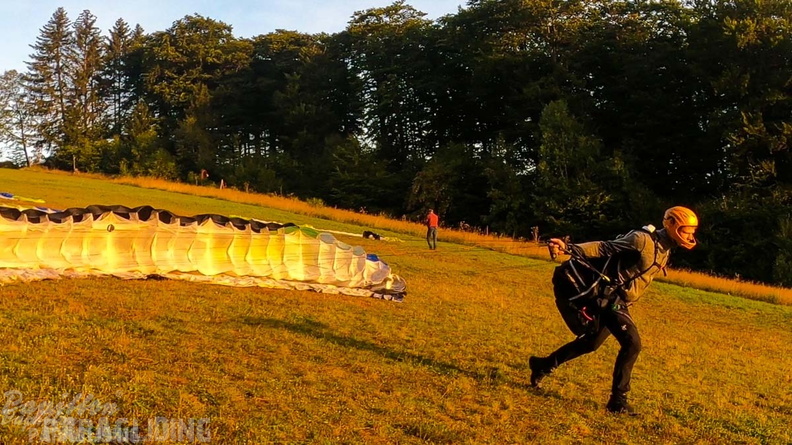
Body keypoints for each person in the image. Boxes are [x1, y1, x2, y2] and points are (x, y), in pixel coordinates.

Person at [529, 206, 698, 415]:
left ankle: (542, 365)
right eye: (686, 230)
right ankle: (618, 401)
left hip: (621, 301)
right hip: (611, 299)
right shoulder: (642, 240)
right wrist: (569, 248)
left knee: (591, 342)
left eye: (692, 231)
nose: (690, 236)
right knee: (632, 343)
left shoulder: (666, 249)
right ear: (671, 224)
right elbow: (604, 248)